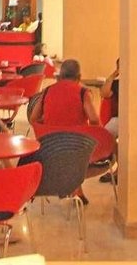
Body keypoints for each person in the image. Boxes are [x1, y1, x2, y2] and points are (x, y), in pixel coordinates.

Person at [29, 58, 98, 203]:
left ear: (59, 76)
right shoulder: (83, 93)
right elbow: (94, 119)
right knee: (88, 151)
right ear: (79, 77)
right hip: (75, 147)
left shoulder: (47, 91)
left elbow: (33, 118)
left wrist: (48, 122)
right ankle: (75, 188)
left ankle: (74, 189)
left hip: (49, 148)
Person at [99, 57, 120, 182]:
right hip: (120, 118)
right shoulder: (116, 84)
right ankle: (120, 167)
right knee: (106, 135)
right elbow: (104, 93)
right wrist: (113, 75)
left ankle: (120, 169)